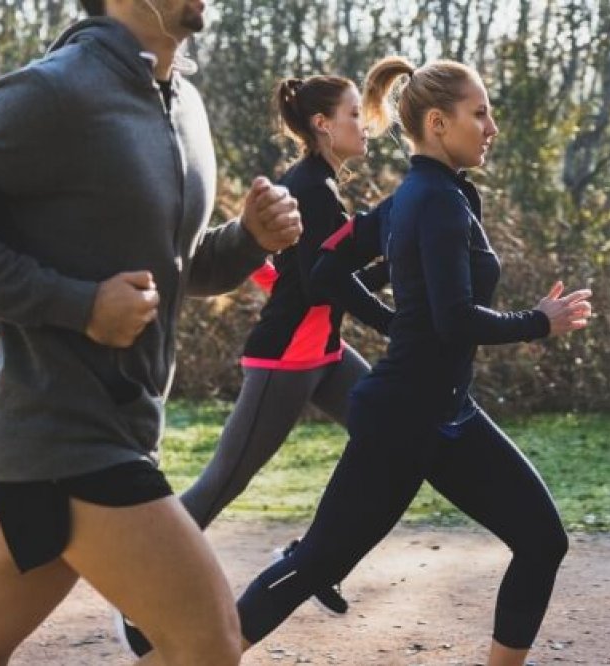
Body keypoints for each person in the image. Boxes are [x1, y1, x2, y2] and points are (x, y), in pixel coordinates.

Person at [0, 1, 302, 664]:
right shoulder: (53, 91)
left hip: (91, 435)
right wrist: (78, 305)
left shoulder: (182, 103)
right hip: (68, 435)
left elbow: (170, 271)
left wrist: (248, 240)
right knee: (209, 644)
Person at [235, 55, 593, 666]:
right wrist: (539, 323)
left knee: (540, 539)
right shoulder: (434, 201)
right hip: (402, 422)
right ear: (437, 121)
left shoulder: (420, 199)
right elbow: (453, 319)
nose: (491, 127)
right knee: (314, 564)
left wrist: (395, 296)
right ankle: (191, 652)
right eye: (480, 113)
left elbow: (329, 267)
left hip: (446, 416)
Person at [114, 72, 396, 656]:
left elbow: (291, 272)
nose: (362, 125)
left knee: (392, 436)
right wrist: (393, 277)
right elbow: (327, 286)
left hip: (325, 351)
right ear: (323, 124)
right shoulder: (308, 188)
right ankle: (135, 598)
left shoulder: (319, 185)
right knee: (223, 482)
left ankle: (311, 558)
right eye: (351, 114)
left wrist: (387, 260)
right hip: (286, 361)